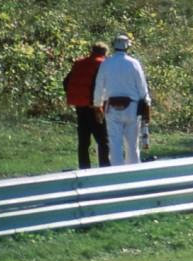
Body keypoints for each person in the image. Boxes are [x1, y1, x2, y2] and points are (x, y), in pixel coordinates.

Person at [93, 34, 151, 166]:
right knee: (132, 144)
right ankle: (134, 171)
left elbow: (99, 86)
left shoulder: (106, 63)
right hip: (132, 107)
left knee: (115, 143)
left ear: (113, 46)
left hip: (112, 108)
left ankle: (116, 171)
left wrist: (97, 105)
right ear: (128, 47)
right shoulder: (134, 63)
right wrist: (147, 102)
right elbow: (142, 86)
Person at [63, 42, 110, 169]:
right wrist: (98, 103)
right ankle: (105, 168)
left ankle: (84, 168)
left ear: (92, 51)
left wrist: (76, 96)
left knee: (84, 141)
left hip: (80, 106)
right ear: (105, 53)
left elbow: (66, 82)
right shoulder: (102, 64)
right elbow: (99, 85)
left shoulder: (79, 63)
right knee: (103, 140)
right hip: (94, 106)